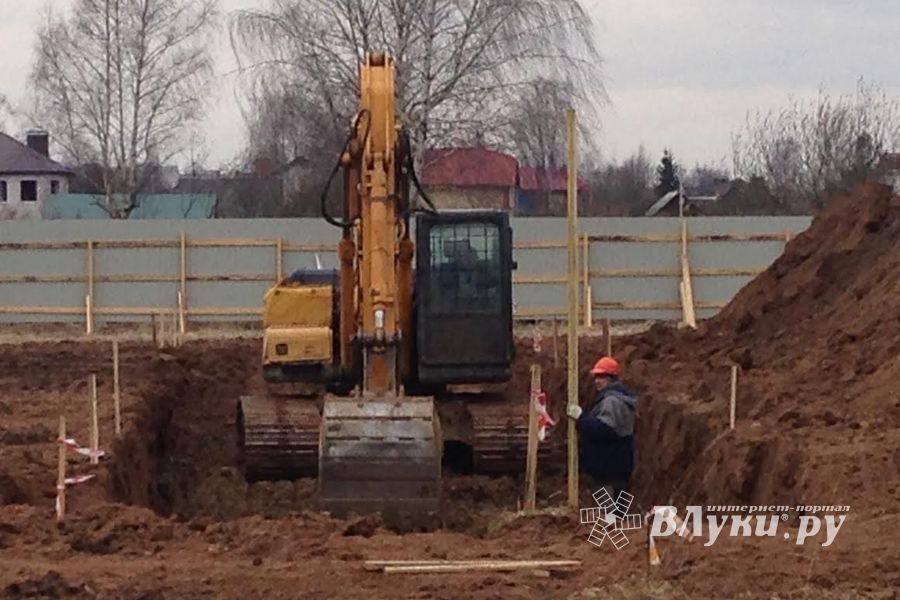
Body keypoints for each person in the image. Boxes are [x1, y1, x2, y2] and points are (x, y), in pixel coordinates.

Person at [565, 356, 638, 506]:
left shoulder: (612, 401)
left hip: (608, 469)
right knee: (619, 514)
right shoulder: (620, 398)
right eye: (596, 377)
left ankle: (613, 526)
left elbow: (603, 430)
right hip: (619, 468)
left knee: (609, 516)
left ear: (611, 378)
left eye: (602, 377)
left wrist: (581, 418)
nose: (597, 381)